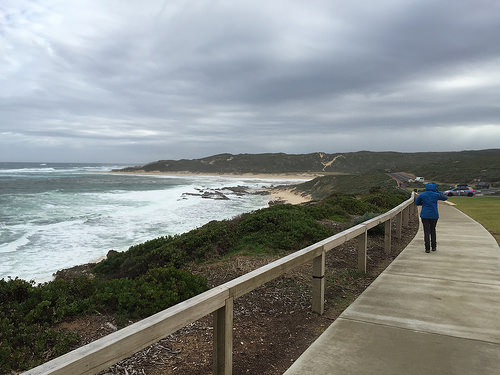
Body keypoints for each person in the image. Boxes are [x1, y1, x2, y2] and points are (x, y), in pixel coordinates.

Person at [415, 183, 448, 253]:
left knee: (426, 231)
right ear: (434, 188)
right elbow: (445, 198)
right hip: (434, 215)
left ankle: (427, 248)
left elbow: (417, 202)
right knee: (433, 230)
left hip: (424, 215)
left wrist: (423, 203)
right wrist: (438, 192)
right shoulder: (436, 195)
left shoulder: (422, 194)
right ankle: (434, 247)